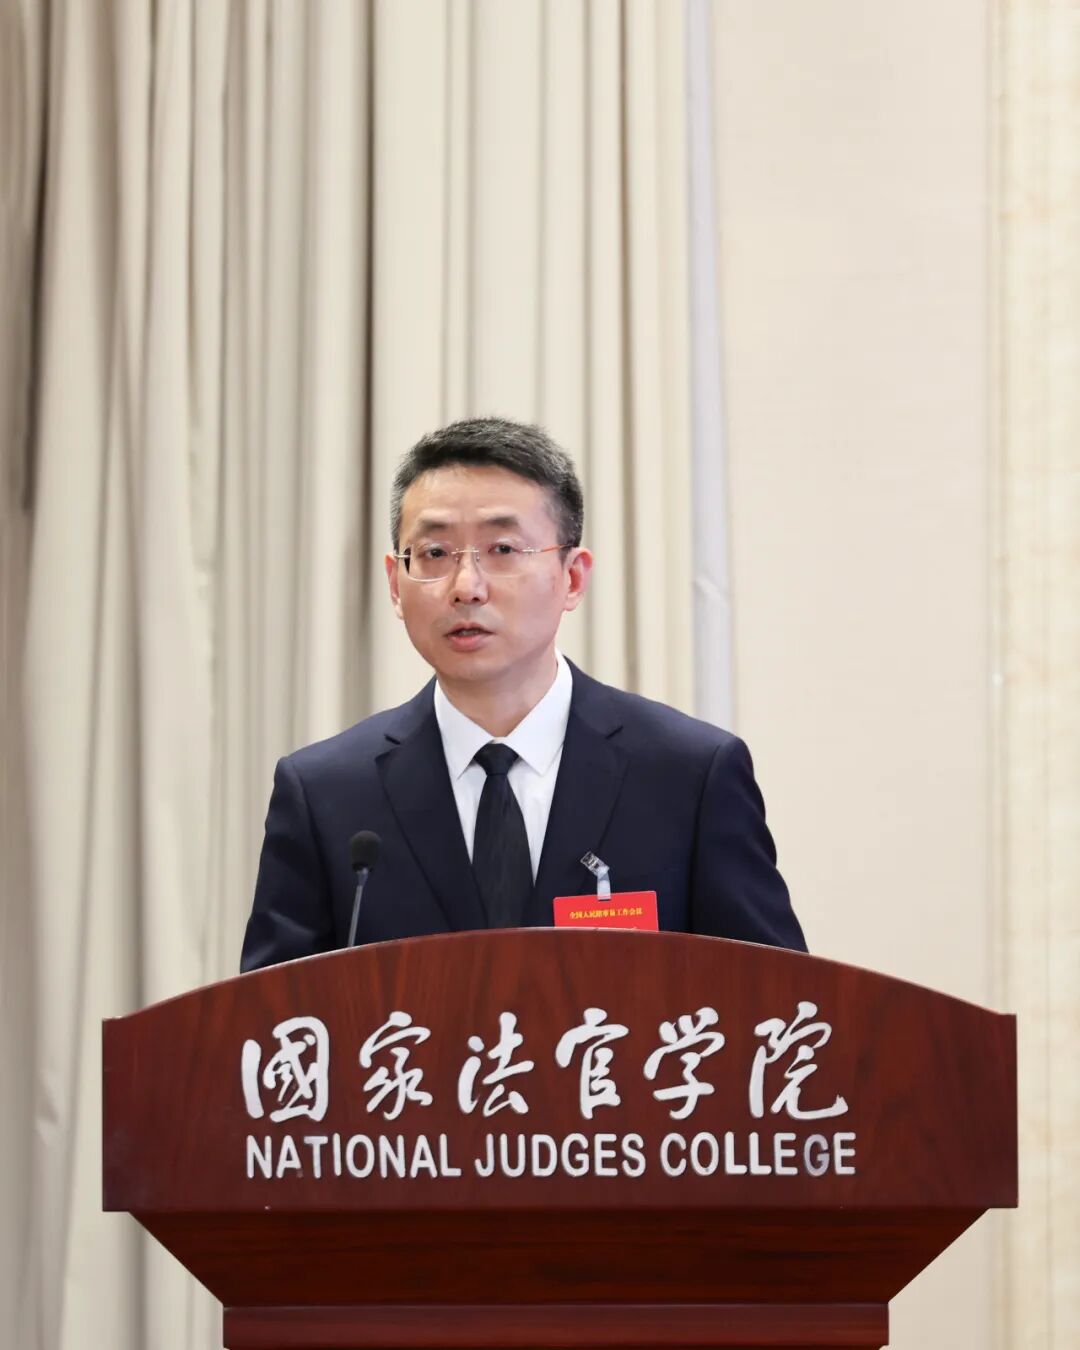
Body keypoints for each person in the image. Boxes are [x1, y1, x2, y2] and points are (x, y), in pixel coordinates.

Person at [241, 417, 805, 971]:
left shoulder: (688, 775)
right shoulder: (326, 793)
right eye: (434, 554)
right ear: (396, 583)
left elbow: (778, 1003)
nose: (466, 587)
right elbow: (271, 1020)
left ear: (573, 578)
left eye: (503, 549)